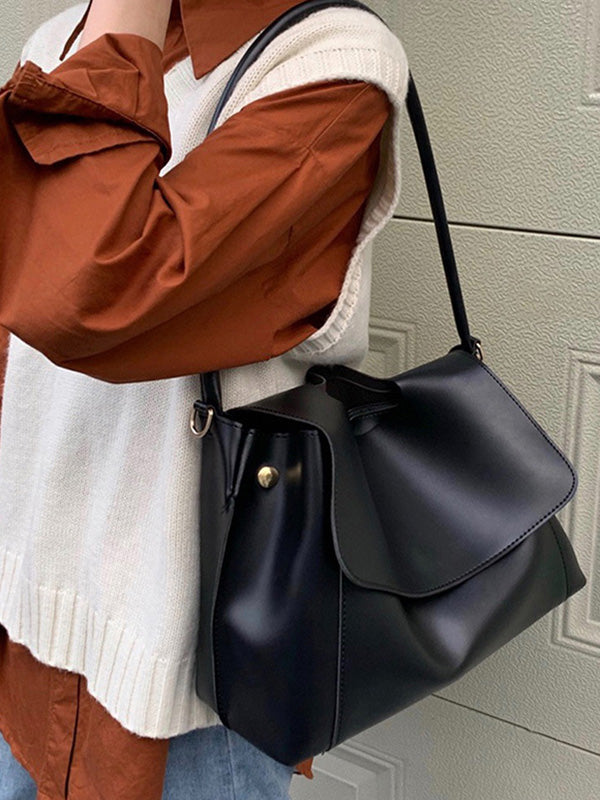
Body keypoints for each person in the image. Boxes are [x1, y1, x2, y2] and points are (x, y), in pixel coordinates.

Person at [0, 0, 409, 796]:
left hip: (187, 689)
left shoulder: (331, 62)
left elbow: (93, 293)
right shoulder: (60, 41)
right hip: (26, 626)